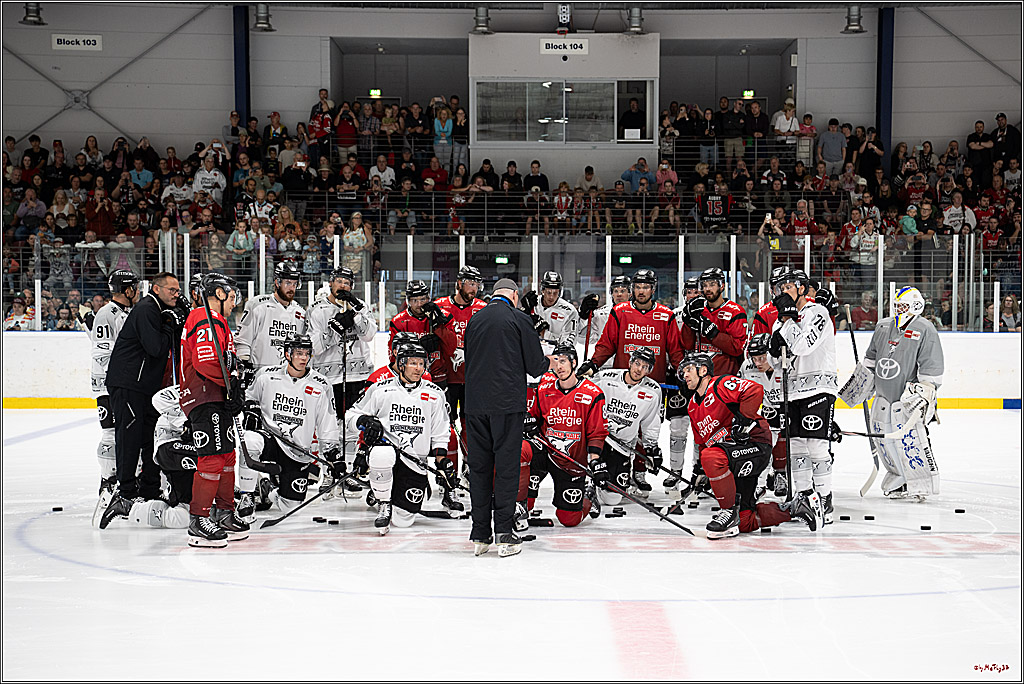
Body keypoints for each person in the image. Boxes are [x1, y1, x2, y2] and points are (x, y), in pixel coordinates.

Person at [679, 352, 819, 538]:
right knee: (744, 521)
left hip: (754, 444)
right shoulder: (692, 407)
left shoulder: (720, 384)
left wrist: (744, 421)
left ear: (703, 370)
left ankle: (727, 512)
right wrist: (701, 471)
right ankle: (795, 508)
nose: (685, 375)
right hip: (733, 457)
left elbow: (754, 390)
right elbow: (702, 443)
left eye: (689, 370)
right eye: (683, 372)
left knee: (712, 457)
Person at [464, 278, 552, 557]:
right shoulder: (519, 318)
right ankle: (504, 532)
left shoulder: (474, 320)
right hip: (506, 405)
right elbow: (537, 368)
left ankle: (480, 533)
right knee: (505, 468)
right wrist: (549, 357)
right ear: (514, 295)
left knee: (478, 469)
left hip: (475, 406)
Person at [100, 272, 188, 529]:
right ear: (156, 289)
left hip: (144, 387)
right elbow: (156, 347)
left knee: (149, 436)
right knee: (129, 436)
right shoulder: (148, 308)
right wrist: (169, 324)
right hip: (129, 384)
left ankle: (149, 487)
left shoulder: (158, 309)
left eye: (178, 289)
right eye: (172, 289)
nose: (176, 293)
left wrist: (178, 317)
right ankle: (126, 492)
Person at [840, 286, 944, 500]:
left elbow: (931, 365)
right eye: (897, 305)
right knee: (883, 439)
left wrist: (927, 390)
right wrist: (861, 383)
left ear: (916, 306)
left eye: (904, 306)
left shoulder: (925, 329)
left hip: (907, 398)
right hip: (882, 395)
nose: (899, 309)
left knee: (910, 440)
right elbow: (871, 359)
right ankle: (897, 479)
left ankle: (919, 482)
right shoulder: (883, 325)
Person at [346, 342, 452, 535]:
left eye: (422, 364)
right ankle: (384, 502)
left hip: (414, 462)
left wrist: (442, 462)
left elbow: (440, 432)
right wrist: (364, 420)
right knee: (381, 453)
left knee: (403, 522)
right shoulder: (380, 389)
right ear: (401, 364)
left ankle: (388, 493)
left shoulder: (435, 394)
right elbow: (350, 416)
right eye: (413, 363)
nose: (419, 368)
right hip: (387, 453)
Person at [176, 273, 249, 547]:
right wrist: (231, 385)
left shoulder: (216, 321)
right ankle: (199, 519)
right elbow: (206, 362)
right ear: (218, 294)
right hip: (204, 395)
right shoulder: (203, 317)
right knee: (212, 459)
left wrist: (234, 382)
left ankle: (224, 512)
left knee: (228, 456)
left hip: (215, 394)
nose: (234, 303)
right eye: (231, 297)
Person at [241, 333, 343, 515]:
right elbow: (249, 396)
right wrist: (251, 408)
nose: (303, 358)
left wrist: (333, 456)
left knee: (291, 506)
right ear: (287, 354)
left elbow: (327, 423)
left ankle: (267, 489)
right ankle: (246, 495)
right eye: (298, 353)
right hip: (271, 440)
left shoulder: (321, 384)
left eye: (307, 353)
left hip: (297, 451)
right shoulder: (266, 375)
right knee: (249, 441)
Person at [768, 268, 837, 524]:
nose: (781, 292)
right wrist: (774, 348)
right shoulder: (780, 319)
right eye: (778, 288)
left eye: (786, 286)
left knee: (816, 445)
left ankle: (825, 498)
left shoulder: (817, 312)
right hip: (793, 390)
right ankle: (805, 496)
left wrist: (787, 321)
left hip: (818, 387)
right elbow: (775, 361)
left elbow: (803, 346)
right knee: (795, 445)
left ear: (800, 287)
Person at [305, 266, 377, 487]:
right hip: (329, 378)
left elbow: (369, 335)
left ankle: (349, 474)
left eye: (347, 283)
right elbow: (314, 347)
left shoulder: (360, 306)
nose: (343, 286)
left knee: (352, 425)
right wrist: (336, 329)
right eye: (339, 282)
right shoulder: (317, 310)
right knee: (330, 428)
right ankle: (331, 471)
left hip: (358, 375)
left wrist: (355, 315)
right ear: (331, 283)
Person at [522, 343, 608, 527]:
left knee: (569, 519)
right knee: (521, 449)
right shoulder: (544, 388)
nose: (559, 367)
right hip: (545, 451)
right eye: (555, 362)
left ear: (574, 363)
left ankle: (588, 496)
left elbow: (597, 433)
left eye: (563, 361)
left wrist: (594, 460)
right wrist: (528, 420)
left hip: (570, 461)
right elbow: (533, 415)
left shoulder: (593, 394)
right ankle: (519, 503)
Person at [88, 270, 140, 527]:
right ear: (127, 289)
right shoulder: (106, 313)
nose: (138, 291)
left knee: (126, 434)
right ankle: (108, 480)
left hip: (124, 384)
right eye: (135, 288)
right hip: (108, 387)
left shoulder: (126, 313)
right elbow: (101, 352)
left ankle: (124, 478)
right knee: (110, 434)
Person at [590, 347, 662, 513]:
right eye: (637, 363)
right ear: (630, 362)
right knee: (589, 474)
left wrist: (651, 448)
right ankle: (589, 484)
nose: (639, 369)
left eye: (645, 367)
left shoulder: (653, 390)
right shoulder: (605, 378)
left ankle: (606, 482)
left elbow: (650, 423)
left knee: (612, 500)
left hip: (622, 446)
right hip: (599, 439)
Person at [433, 266, 487, 463]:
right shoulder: (440, 306)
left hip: (472, 379)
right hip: (445, 378)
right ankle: (446, 473)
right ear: (459, 283)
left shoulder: (482, 308)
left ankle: (468, 466)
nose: (474, 288)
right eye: (470, 283)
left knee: (470, 425)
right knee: (445, 426)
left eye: (476, 284)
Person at [663, 276, 701, 491]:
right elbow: (671, 346)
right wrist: (680, 371)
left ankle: (699, 471)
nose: (693, 296)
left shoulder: (710, 313)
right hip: (678, 378)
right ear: (684, 293)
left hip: (704, 380)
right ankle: (675, 471)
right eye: (690, 292)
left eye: (697, 292)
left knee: (702, 427)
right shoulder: (674, 316)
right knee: (677, 427)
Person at [739, 333, 788, 498]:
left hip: (789, 409)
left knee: (799, 448)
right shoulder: (747, 367)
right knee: (762, 444)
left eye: (762, 358)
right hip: (765, 412)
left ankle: (789, 479)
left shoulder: (786, 364)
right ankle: (758, 484)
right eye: (755, 358)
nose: (758, 363)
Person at [234, 261, 306, 371]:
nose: (291, 288)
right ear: (277, 282)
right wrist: (244, 367)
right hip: (259, 373)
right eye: (288, 283)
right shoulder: (257, 304)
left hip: (287, 377)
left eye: (294, 284)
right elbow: (242, 340)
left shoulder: (300, 313)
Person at [678, 267, 748, 377]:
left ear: (722, 286)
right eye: (704, 285)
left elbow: (738, 348)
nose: (707, 289)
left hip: (724, 377)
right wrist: (688, 323)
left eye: (712, 284)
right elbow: (687, 345)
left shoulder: (735, 311)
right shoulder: (698, 309)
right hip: (699, 376)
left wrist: (714, 334)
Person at [389, 279, 457, 386]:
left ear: (428, 298)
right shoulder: (398, 322)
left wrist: (438, 326)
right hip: (411, 378)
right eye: (414, 300)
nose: (419, 304)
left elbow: (452, 348)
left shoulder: (444, 317)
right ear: (408, 301)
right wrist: (418, 347)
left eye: (423, 299)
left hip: (438, 376)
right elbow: (394, 357)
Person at [520, 270, 580, 355]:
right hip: (530, 355)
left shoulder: (569, 311)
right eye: (548, 292)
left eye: (555, 293)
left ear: (559, 292)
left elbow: (567, 345)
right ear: (543, 290)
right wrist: (523, 313)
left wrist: (544, 332)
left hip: (555, 359)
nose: (551, 296)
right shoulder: (532, 303)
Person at [578, 274, 631, 362]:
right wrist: (584, 316)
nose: (619, 294)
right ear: (612, 294)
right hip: (605, 363)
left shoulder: (638, 314)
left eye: (623, 291)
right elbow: (583, 339)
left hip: (630, 363)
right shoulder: (600, 314)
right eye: (616, 291)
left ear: (630, 293)